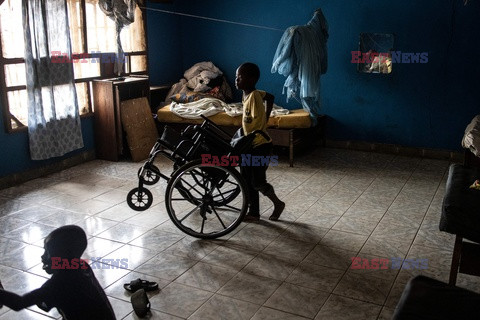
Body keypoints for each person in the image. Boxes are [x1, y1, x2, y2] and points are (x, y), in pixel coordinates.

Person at [0, 225, 116, 320]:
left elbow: (19, 303)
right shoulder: (81, 266)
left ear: (63, 256)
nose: (43, 256)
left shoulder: (58, 285)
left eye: (48, 253)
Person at [235, 62, 285, 221]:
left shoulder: (254, 96)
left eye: (240, 77)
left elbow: (255, 124)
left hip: (260, 146)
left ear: (251, 79)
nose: (236, 80)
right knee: (246, 180)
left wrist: (264, 120)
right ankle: (253, 212)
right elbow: (270, 97)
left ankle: (278, 203)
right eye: (236, 77)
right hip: (250, 144)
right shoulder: (247, 94)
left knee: (256, 182)